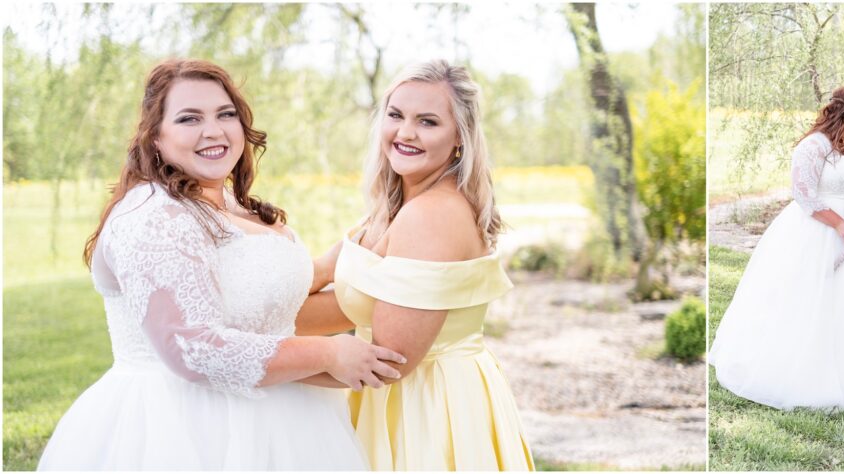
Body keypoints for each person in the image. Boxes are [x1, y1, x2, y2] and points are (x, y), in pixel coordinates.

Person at [37, 58, 404, 470]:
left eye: (225, 114)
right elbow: (192, 349)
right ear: (155, 138)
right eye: (189, 118)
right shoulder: (151, 216)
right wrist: (328, 353)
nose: (213, 130)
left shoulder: (225, 203)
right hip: (184, 429)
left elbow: (256, 289)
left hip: (288, 420)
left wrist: (359, 248)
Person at [298, 60, 534, 470]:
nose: (405, 132)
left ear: (459, 137)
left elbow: (387, 361)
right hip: (389, 402)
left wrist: (261, 366)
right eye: (396, 115)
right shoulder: (390, 211)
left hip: (426, 410)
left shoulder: (432, 216)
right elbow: (315, 280)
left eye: (427, 121)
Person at [708, 86, 844, 416]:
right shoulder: (815, 146)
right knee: (816, 300)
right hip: (821, 231)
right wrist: (840, 225)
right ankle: (815, 375)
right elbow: (804, 194)